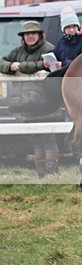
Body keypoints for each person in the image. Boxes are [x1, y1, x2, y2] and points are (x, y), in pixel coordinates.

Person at [0, 21, 61, 177]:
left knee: (48, 137)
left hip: (44, 103)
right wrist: (10, 66)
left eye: (33, 33)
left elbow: (51, 66)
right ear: (23, 37)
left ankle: (51, 174)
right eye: (27, 34)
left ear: (39, 35)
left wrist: (20, 66)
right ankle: (42, 174)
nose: (30, 36)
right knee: (36, 138)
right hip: (27, 104)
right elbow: (2, 62)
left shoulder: (49, 49)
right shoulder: (18, 51)